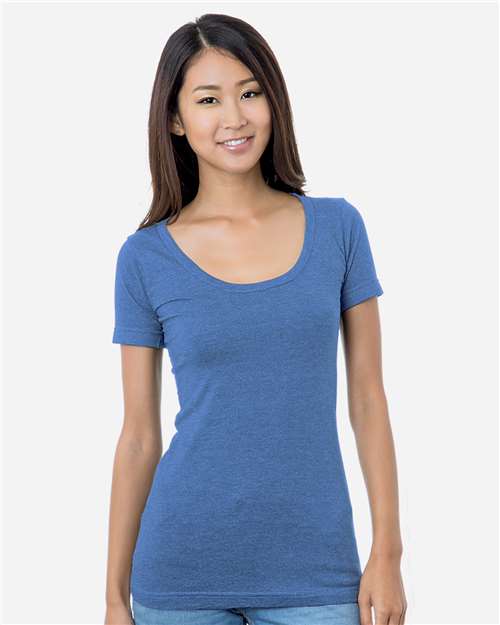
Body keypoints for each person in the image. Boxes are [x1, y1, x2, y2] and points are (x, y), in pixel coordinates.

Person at [104, 13, 407, 625]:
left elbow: (368, 399)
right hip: (179, 574)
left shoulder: (338, 228)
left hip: (317, 572)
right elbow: (138, 435)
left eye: (249, 93)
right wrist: (114, 598)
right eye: (208, 99)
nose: (234, 118)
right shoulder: (145, 257)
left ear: (274, 100)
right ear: (175, 119)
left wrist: (388, 553)